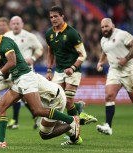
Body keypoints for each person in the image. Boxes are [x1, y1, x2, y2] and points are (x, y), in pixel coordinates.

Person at [0, 25, 80, 148]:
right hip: (18, 80)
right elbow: (4, 77)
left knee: (37, 110)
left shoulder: (6, 43)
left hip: (26, 78)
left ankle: (71, 120)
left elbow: (12, 62)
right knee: (0, 106)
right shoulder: (0, 47)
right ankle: (0, 141)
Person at [0, 73, 84, 145]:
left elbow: (4, 81)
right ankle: (74, 129)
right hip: (49, 98)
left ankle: (72, 121)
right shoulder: (19, 76)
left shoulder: (23, 78)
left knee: (45, 134)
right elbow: (5, 82)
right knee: (45, 123)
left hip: (55, 99)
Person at [45, 6, 95, 144]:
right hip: (58, 71)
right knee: (56, 101)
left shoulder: (72, 33)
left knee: (67, 100)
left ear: (62, 16)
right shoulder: (49, 33)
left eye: (56, 16)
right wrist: (49, 69)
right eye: (51, 17)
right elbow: (50, 53)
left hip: (73, 71)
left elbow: (83, 54)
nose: (53, 19)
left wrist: (73, 68)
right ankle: (78, 110)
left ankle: (75, 137)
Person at [4, 16, 44, 129]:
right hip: (14, 70)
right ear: (10, 25)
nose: (16, 25)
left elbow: (40, 48)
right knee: (19, 95)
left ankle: (37, 116)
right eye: (13, 23)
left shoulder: (29, 36)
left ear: (22, 24)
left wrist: (33, 58)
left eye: (18, 23)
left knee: (24, 96)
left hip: (27, 71)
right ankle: (29, 118)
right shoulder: (7, 36)